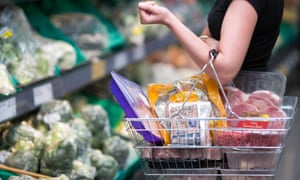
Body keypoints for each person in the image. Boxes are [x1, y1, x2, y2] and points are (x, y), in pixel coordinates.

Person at [138, 0, 284, 85]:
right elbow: (204, 37)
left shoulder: (243, 2)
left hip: (242, 108)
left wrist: (169, 20)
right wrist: (209, 43)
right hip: (233, 99)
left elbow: (223, 70)